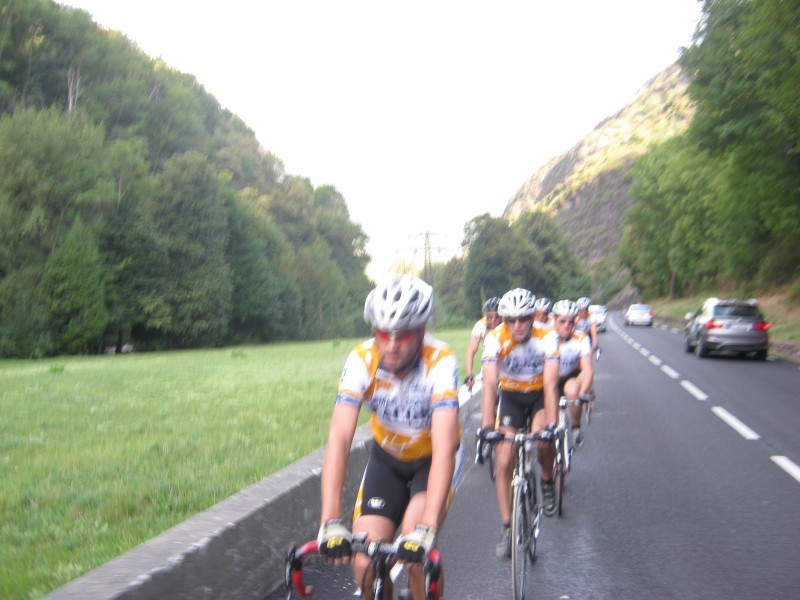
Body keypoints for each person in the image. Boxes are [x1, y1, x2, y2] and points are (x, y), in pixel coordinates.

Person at [317, 276, 461, 600]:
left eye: (404, 335)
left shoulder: (440, 361)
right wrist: (330, 519)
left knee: (415, 552)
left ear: (422, 332)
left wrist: (427, 529)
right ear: (374, 333)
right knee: (365, 563)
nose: (392, 344)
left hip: (430, 462)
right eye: (384, 334)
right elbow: (339, 437)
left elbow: (443, 448)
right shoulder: (361, 360)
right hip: (387, 460)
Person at [478, 288, 560, 559]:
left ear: (532, 317)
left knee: (542, 440)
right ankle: (507, 526)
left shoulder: (547, 336)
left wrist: (553, 423)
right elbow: (490, 383)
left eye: (523, 318)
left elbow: (550, 383)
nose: (518, 325)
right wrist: (488, 427)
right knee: (504, 459)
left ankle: (547, 479)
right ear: (504, 320)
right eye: (511, 320)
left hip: (538, 395)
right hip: (511, 397)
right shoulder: (493, 339)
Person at [550, 300, 594, 447]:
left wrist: (583, 394)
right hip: (552, 378)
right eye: (562, 321)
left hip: (572, 375)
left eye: (571, 321)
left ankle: (576, 427)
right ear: (554, 321)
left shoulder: (581, 338)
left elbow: (587, 370)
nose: (566, 325)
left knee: (572, 390)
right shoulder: (547, 338)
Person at [464, 296, 502, 392]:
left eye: (497, 317)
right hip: (489, 365)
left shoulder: (508, 325)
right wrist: (469, 375)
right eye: (489, 317)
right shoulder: (480, 325)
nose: (493, 321)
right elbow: (470, 352)